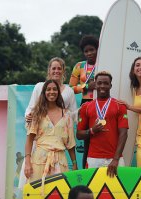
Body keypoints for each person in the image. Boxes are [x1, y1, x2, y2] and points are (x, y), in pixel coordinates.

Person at [18, 57, 78, 189]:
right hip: (39, 151)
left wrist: (74, 163)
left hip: (60, 154)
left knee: (60, 192)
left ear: (63, 71)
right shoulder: (39, 91)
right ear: (49, 70)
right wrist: (29, 117)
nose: (56, 71)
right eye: (53, 68)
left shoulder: (69, 94)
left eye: (59, 68)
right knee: (36, 190)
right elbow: (31, 109)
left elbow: (73, 117)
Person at [76, 71, 129, 177]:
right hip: (93, 158)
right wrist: (92, 131)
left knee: (118, 192)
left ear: (110, 85)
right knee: (93, 191)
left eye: (106, 83)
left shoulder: (120, 106)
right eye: (99, 83)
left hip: (115, 159)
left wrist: (115, 159)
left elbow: (123, 134)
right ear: (95, 85)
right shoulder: (86, 107)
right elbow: (79, 134)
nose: (102, 86)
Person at [69, 35, 99, 168]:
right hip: (86, 105)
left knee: (102, 138)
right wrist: (86, 87)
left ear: (98, 49)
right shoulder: (79, 66)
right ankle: (85, 173)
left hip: (102, 104)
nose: (89, 53)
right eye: (86, 51)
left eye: (92, 49)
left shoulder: (105, 62)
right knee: (87, 141)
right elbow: (71, 88)